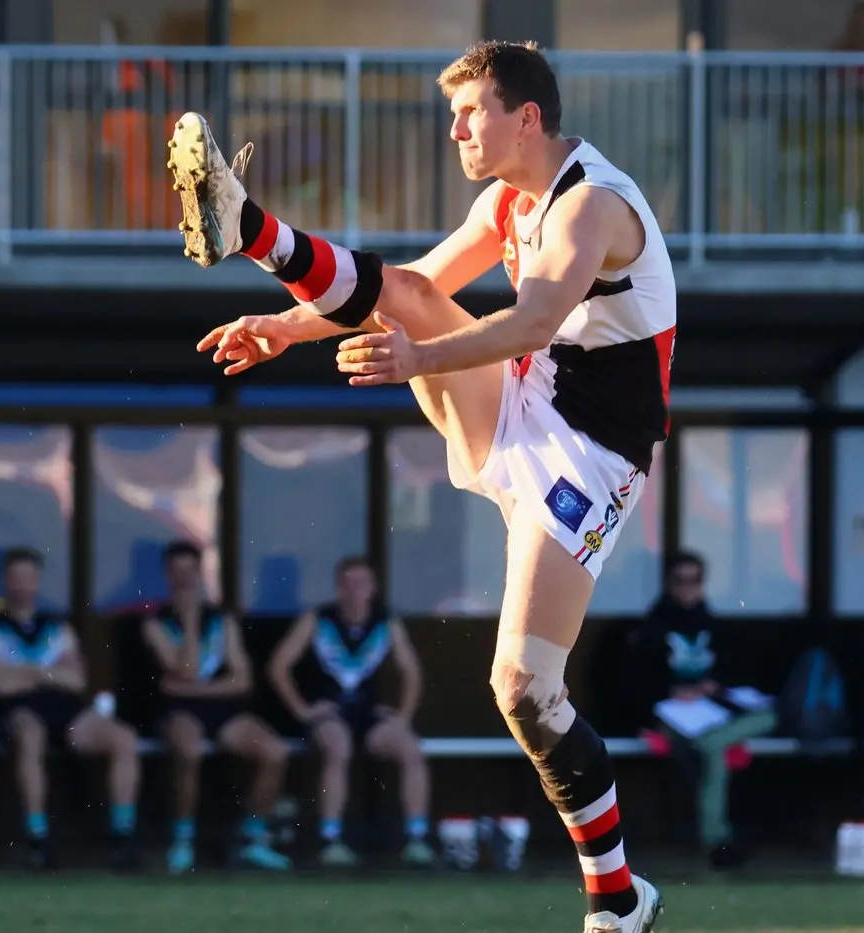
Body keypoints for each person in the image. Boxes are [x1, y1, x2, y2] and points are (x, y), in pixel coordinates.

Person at [173, 39, 670, 933]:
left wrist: (418, 359)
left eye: (470, 112)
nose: (455, 131)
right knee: (402, 291)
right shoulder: (507, 200)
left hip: (592, 456)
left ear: (527, 118)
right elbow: (413, 286)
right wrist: (286, 327)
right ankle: (249, 228)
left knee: (524, 689)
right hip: (526, 399)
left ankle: (619, 898)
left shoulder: (590, 203)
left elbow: (533, 319)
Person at [0, 547, 142, 871]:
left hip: (66, 712)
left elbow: (78, 681)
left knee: (124, 738)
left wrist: (24, 672)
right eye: (16, 577)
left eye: (29, 577)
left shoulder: (59, 628)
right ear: (5, 581)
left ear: (38, 581)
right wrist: (52, 672)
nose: (23, 585)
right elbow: (1, 685)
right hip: (17, 713)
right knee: (30, 735)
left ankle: (123, 835)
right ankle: (37, 838)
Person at [266, 556, 434, 868]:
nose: (355, 590)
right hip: (328, 714)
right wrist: (302, 710)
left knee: (410, 748)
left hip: (369, 715)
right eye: (348, 583)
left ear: (373, 588)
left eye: (362, 583)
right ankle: (329, 840)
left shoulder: (386, 622)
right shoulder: (317, 619)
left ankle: (417, 838)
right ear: (338, 588)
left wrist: (403, 716)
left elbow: (412, 671)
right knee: (338, 745)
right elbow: (278, 666)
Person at [141, 540, 291, 874]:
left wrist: (193, 688)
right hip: (177, 712)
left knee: (275, 752)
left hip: (223, 711)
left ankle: (253, 838)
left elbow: (243, 680)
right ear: (167, 575)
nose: (185, 579)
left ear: (200, 573)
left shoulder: (223, 622)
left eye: (190, 572)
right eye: (177, 572)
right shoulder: (155, 624)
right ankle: (183, 841)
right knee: (189, 750)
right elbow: (185, 668)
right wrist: (191, 622)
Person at [631, 551, 776, 869]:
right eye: (680, 580)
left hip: (712, 711)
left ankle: (713, 745)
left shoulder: (713, 623)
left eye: (694, 580)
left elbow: (734, 672)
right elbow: (636, 682)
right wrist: (671, 691)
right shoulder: (651, 627)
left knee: (766, 717)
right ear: (669, 583)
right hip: (672, 712)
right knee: (715, 753)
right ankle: (717, 839)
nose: (687, 587)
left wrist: (714, 686)